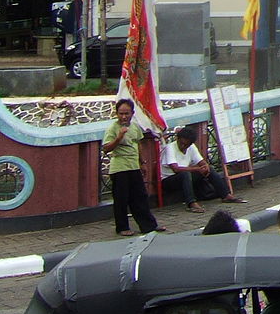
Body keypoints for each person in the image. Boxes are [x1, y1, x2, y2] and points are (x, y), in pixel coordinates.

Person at [102, 98, 162, 236]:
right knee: (121, 199)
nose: (124, 116)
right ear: (116, 113)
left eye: (126, 113)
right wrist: (119, 137)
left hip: (133, 166)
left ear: (132, 113)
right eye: (121, 113)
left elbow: (138, 144)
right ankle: (122, 227)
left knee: (140, 197)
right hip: (120, 167)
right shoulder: (113, 128)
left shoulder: (134, 127)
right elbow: (106, 148)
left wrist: (142, 163)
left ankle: (148, 225)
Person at [161, 125, 245, 212]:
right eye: (181, 143)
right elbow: (176, 169)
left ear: (190, 144)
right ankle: (191, 203)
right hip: (169, 180)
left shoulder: (191, 148)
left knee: (210, 169)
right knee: (185, 174)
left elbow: (201, 161)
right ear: (177, 139)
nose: (182, 146)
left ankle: (225, 195)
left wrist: (205, 167)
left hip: (185, 177)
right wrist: (197, 169)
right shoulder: (170, 148)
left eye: (185, 145)